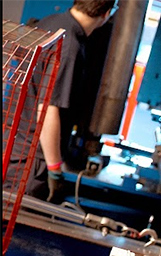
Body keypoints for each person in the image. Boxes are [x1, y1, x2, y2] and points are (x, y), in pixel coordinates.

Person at [5, 0, 117, 203]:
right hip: (28, 162)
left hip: (12, 144)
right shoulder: (69, 45)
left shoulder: (50, 22)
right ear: (106, 14)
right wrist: (55, 170)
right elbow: (47, 112)